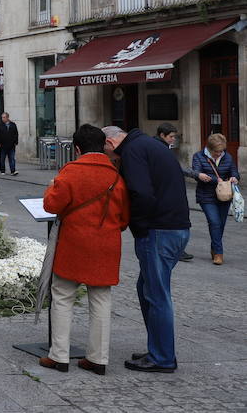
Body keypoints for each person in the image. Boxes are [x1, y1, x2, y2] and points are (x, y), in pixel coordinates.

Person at [38, 125, 130, 376]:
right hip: (106, 245)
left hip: (74, 244)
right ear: (103, 146)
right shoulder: (116, 176)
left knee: (63, 297)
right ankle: (98, 359)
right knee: (101, 300)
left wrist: (51, 186)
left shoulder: (71, 172)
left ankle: (59, 356)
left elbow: (51, 204)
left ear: (77, 149)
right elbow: (123, 219)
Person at [103, 125, 190, 373]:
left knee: (156, 293)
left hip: (159, 230)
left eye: (107, 152)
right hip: (174, 227)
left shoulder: (132, 151)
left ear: (111, 143)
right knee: (147, 288)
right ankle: (158, 347)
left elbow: (141, 193)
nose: (110, 158)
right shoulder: (147, 145)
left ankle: (162, 357)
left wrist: (138, 227)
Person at [191, 133, 239, 265]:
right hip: (206, 195)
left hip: (224, 196)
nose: (219, 154)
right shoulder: (199, 156)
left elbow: (234, 171)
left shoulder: (227, 157)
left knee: (221, 224)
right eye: (217, 152)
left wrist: (234, 178)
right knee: (214, 222)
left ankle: (214, 247)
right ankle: (218, 253)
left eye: (221, 151)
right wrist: (204, 176)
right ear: (210, 149)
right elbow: (196, 172)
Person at [154, 123, 196, 262]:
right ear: (162, 135)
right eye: (171, 136)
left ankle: (177, 249)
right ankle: (176, 249)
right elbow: (176, 167)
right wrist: (195, 174)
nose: (173, 139)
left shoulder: (163, 147)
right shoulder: (159, 148)